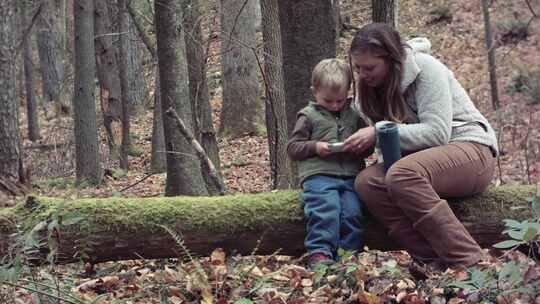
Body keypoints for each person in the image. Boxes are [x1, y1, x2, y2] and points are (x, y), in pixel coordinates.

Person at [342, 23, 498, 272]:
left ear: (391, 59)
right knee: (367, 183)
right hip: (422, 164)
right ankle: (431, 262)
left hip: (473, 151)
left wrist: (378, 133)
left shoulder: (426, 68)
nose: (363, 74)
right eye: (358, 68)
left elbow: (437, 133)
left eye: (370, 67)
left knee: (402, 174)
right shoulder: (369, 90)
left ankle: (471, 264)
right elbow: (392, 149)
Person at [287, 58, 371, 267]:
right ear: (314, 92)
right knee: (326, 210)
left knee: (353, 213)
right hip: (318, 175)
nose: (334, 106)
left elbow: (369, 146)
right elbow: (293, 148)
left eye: (340, 101)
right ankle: (320, 253)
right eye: (328, 101)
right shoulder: (308, 116)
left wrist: (361, 146)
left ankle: (348, 256)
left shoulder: (354, 114)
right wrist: (315, 147)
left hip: (351, 175)